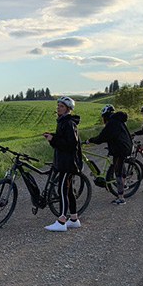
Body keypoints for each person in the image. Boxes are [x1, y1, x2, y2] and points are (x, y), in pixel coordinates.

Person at [42, 96, 82, 232]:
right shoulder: (63, 122)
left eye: (62, 106)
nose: (58, 108)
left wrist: (54, 139)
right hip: (65, 161)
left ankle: (62, 220)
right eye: (58, 105)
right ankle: (74, 219)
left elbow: (72, 144)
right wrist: (52, 138)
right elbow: (62, 140)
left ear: (68, 109)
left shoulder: (68, 123)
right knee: (69, 190)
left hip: (68, 163)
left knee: (62, 190)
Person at [85, 104, 133, 205]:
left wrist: (90, 140)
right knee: (120, 168)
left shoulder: (112, 123)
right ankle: (124, 186)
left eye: (103, 117)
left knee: (118, 174)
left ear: (106, 115)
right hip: (123, 148)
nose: (103, 119)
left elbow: (102, 137)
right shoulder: (118, 121)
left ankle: (121, 198)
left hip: (120, 149)